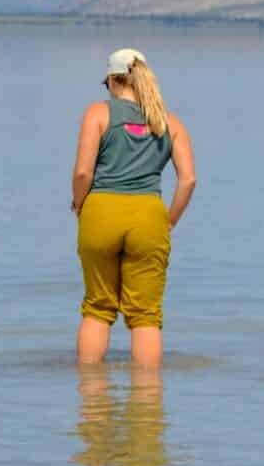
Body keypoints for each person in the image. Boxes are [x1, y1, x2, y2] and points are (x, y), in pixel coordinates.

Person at [71, 46, 197, 367]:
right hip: (149, 216)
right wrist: (169, 220)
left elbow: (84, 172)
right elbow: (188, 181)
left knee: (98, 308)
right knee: (146, 316)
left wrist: (79, 204)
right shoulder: (170, 123)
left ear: (113, 82)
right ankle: (148, 404)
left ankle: (91, 402)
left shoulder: (98, 114)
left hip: (100, 212)